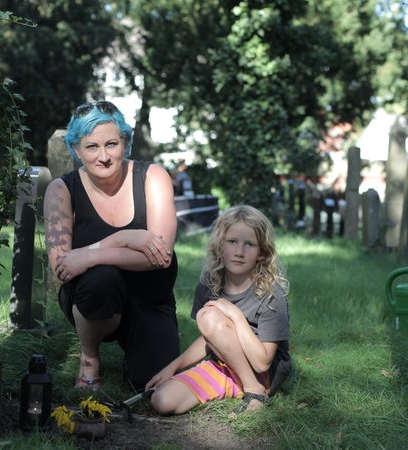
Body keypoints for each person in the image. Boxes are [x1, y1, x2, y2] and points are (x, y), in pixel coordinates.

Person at [43, 100, 180, 391]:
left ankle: (138, 343)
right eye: (91, 147)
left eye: (111, 144)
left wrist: (92, 254)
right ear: (76, 150)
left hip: (149, 294)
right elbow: (63, 267)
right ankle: (90, 358)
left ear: (125, 142)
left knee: (149, 383)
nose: (103, 156)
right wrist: (123, 240)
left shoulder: (153, 177)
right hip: (94, 296)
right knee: (102, 278)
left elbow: (160, 257)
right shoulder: (61, 190)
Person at [146, 205, 291, 415]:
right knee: (162, 400)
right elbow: (210, 337)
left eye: (249, 244)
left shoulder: (271, 294)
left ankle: (255, 391)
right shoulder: (209, 283)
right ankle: (240, 385)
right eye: (232, 242)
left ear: (261, 253)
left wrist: (236, 316)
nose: (239, 252)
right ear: (219, 245)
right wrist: (173, 367)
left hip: (264, 374)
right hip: (226, 362)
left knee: (210, 315)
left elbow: (262, 363)